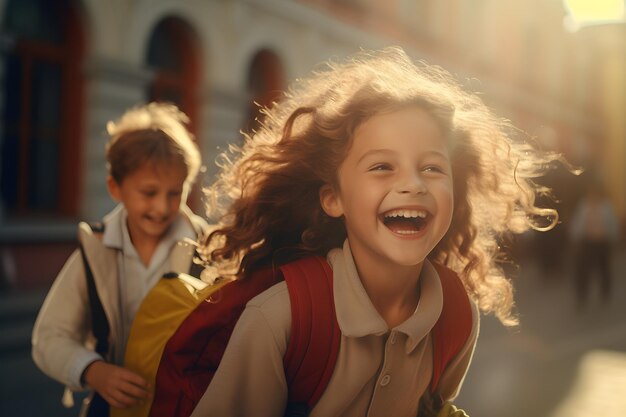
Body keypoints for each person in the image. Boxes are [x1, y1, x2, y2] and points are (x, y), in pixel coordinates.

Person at [191, 47, 560, 417]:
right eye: (383, 166)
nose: (413, 184)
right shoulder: (280, 319)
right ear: (333, 198)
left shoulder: (456, 314)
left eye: (432, 167)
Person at [32, 102, 209, 414]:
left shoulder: (208, 248)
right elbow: (49, 337)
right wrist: (93, 371)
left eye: (174, 192)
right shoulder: (95, 249)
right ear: (116, 187)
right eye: (149, 193)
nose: (163, 208)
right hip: (112, 405)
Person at [569, 178, 620, 309]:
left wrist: (613, 238)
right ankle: (582, 295)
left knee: (604, 268)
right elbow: (578, 223)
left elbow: (612, 223)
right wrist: (575, 238)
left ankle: (605, 291)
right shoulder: (584, 206)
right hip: (588, 242)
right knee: (583, 270)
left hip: (602, 242)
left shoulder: (606, 206)